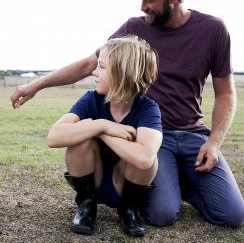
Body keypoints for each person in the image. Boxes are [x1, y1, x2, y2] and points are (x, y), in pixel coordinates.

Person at [11, 0, 244, 228]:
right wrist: (37, 85)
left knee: (232, 216)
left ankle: (181, 183)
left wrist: (214, 142)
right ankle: (164, 185)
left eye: (149, 0)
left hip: (193, 134)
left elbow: (225, 92)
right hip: (154, 136)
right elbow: (91, 64)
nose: (142, 7)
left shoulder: (213, 30)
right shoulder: (133, 29)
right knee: (161, 215)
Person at [47, 36, 162, 237]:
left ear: (122, 72)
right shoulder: (91, 99)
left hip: (125, 184)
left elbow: (145, 159)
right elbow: (54, 137)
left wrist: (100, 132)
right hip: (94, 180)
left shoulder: (147, 108)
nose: (94, 72)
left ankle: (129, 209)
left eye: (101, 66)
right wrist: (101, 125)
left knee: (150, 158)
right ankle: (86, 205)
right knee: (78, 142)